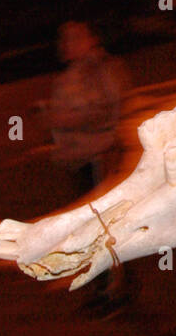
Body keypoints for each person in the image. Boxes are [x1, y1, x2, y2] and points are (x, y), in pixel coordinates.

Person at [44, 21, 132, 315]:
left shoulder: (100, 70)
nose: (66, 44)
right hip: (78, 158)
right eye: (63, 38)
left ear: (91, 38)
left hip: (98, 156)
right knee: (89, 228)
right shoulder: (74, 73)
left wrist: (65, 119)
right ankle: (103, 287)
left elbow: (106, 112)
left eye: (74, 38)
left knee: (101, 226)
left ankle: (113, 291)